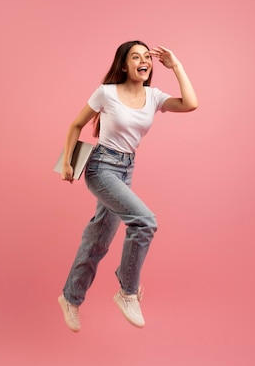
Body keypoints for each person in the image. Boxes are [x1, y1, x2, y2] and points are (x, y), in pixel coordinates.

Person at [57, 41, 198, 331]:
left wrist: (177, 66)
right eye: (136, 57)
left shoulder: (153, 96)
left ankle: (70, 298)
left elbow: (190, 104)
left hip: (126, 169)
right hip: (101, 167)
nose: (143, 61)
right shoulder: (106, 93)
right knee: (144, 221)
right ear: (124, 65)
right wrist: (69, 162)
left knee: (98, 239)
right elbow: (75, 125)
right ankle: (127, 291)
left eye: (147, 57)